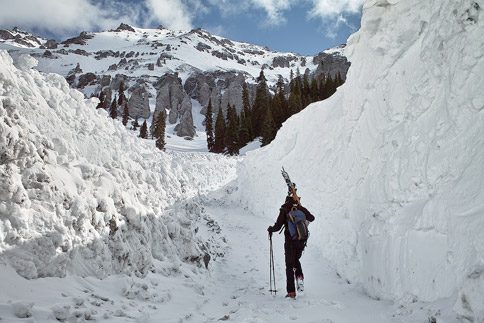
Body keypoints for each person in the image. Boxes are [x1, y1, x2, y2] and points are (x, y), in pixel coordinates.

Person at [267, 195, 315, 299]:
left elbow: (278, 226)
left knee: (289, 265)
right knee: (296, 260)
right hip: (302, 240)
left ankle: (291, 292)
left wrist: (271, 229)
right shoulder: (300, 208)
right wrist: (301, 211)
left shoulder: (285, 209)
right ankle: (299, 277)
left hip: (290, 241)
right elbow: (312, 218)